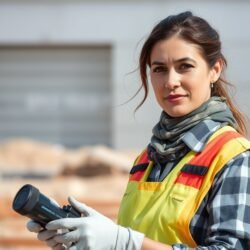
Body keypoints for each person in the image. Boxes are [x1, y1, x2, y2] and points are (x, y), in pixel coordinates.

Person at [27, 11, 250, 250]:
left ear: (214, 69)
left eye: (185, 66)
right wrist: (87, 239)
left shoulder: (234, 158)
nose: (170, 81)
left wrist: (125, 242)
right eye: (159, 69)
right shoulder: (147, 159)